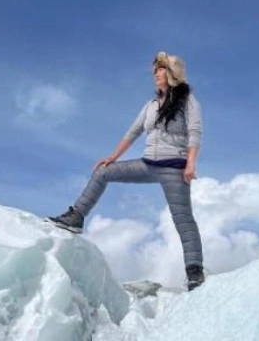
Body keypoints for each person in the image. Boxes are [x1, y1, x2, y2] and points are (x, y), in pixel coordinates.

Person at [47, 51, 206, 291]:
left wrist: (191, 163)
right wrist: (112, 157)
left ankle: (194, 272)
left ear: (171, 73)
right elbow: (132, 133)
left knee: (183, 219)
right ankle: (76, 216)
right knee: (103, 172)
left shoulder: (188, 101)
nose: (155, 75)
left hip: (174, 167)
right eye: (154, 71)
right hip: (147, 165)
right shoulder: (151, 105)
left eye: (160, 70)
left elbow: (195, 133)